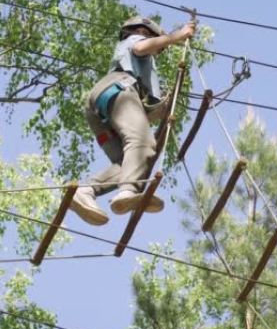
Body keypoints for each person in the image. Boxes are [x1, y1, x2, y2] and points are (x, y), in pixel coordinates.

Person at [70, 16, 196, 225]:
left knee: (128, 163)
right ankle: (127, 193)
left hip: (101, 107)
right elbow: (140, 48)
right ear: (144, 32)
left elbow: (139, 117)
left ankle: (85, 191)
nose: (157, 52)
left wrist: (165, 106)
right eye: (158, 46)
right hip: (118, 88)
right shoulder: (134, 41)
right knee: (143, 145)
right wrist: (177, 36)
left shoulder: (136, 67)